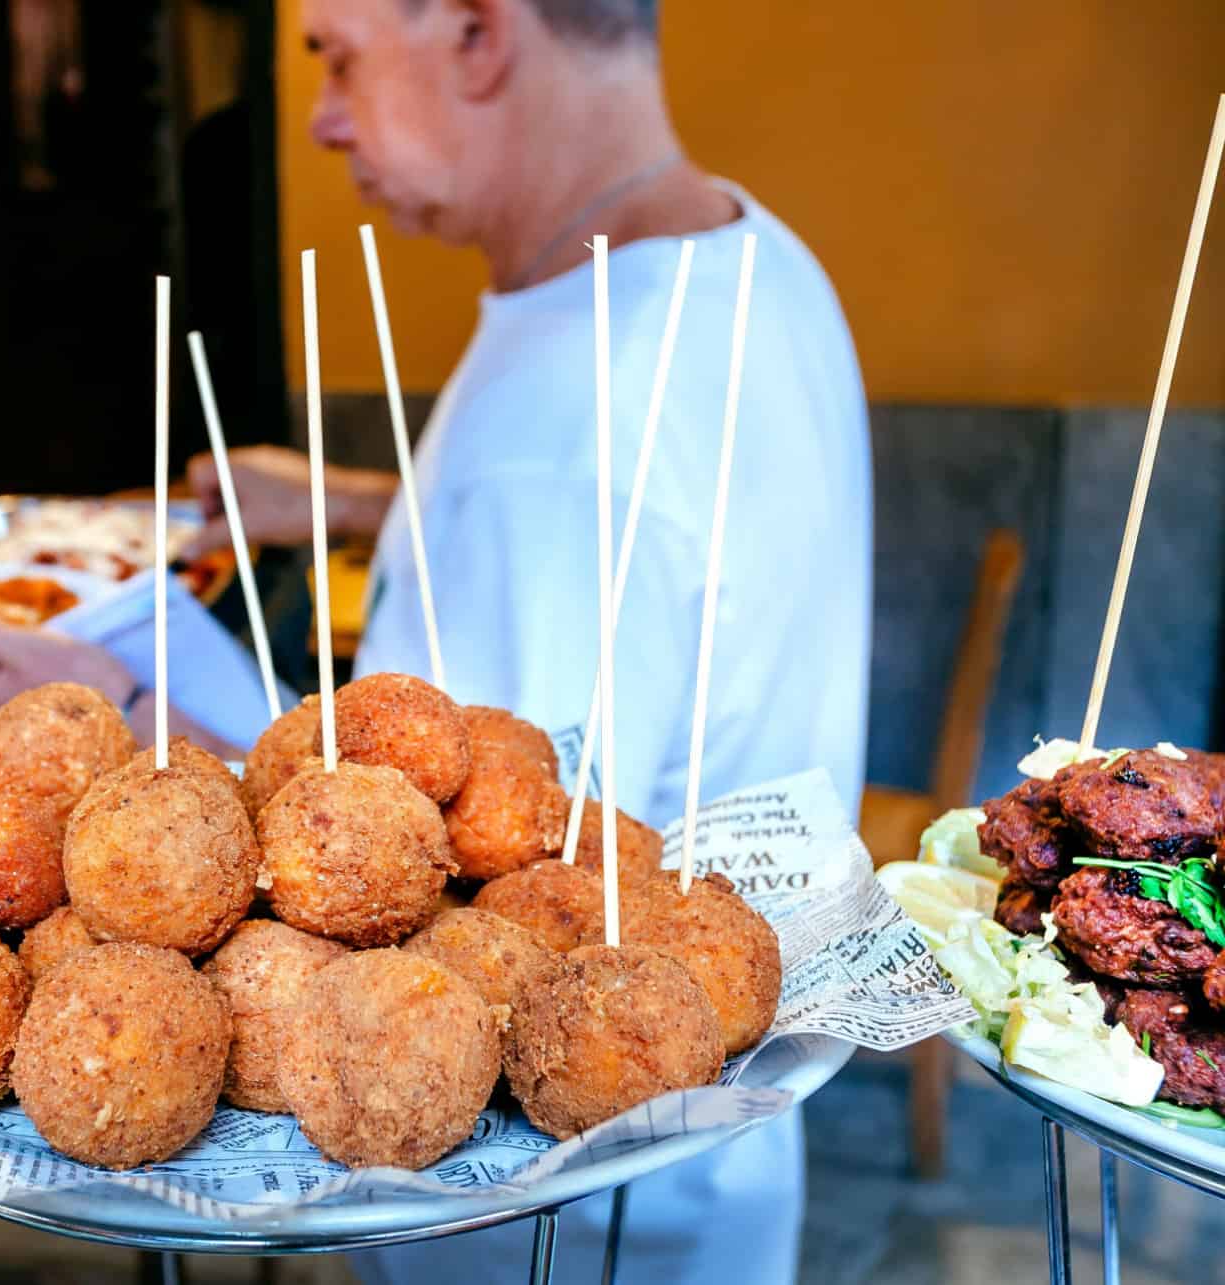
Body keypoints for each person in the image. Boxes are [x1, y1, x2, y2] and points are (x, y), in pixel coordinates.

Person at [200, 1, 868, 1281]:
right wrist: (363, 501)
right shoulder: (740, 248)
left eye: (336, 52)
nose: (326, 117)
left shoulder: (564, 427)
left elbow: (446, 857)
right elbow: (656, 546)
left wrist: (130, 687)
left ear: (474, 29)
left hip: (546, 1202)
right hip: (708, 1151)